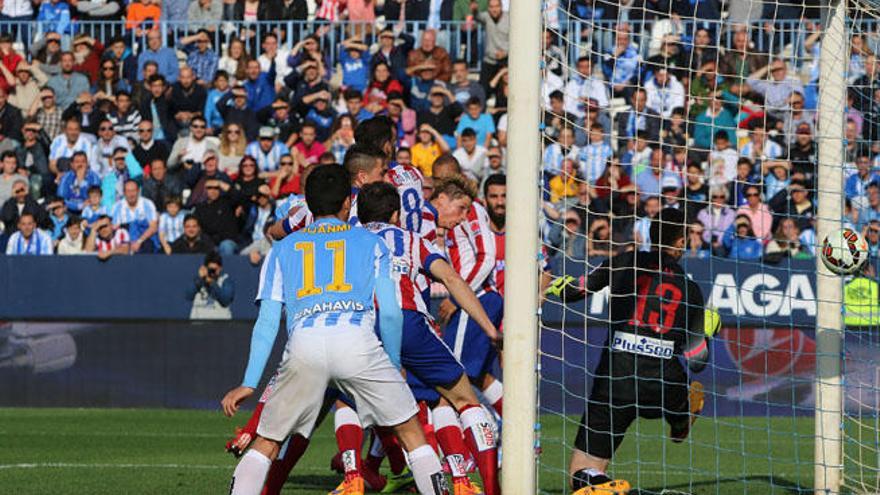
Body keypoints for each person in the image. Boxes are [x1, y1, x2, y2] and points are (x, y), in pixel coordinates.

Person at [221, 164, 447, 495]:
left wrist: (248, 382)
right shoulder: (372, 243)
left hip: (303, 346)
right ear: (347, 203)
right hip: (357, 342)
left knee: (267, 443)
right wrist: (395, 362)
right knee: (412, 433)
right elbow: (392, 314)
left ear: (309, 205)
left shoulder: (282, 249)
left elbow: (268, 321)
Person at [545, 208, 715, 495]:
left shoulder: (623, 262)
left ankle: (596, 480)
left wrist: (555, 285)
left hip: (615, 379)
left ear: (650, 234)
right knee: (682, 386)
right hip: (662, 384)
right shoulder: (691, 290)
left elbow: (577, 291)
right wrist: (708, 332)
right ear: (681, 242)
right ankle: (680, 416)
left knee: (581, 469)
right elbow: (698, 360)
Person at [355, 181, 501, 495]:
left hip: (357, 329)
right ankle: (487, 487)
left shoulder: (346, 241)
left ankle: (356, 473)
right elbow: (450, 278)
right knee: (461, 398)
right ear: (396, 214)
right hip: (408, 323)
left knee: (356, 404)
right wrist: (490, 328)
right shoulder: (412, 239)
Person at [110, 180, 159, 254]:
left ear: (138, 191)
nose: (131, 194)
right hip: (123, 243)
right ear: (124, 193)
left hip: (145, 242)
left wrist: (139, 241)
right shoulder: (116, 207)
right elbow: (114, 229)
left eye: (133, 191)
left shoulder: (148, 204)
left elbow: (153, 227)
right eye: (128, 191)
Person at [187, 251, 234, 319]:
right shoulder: (198, 280)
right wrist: (200, 279)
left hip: (220, 323)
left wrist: (212, 283)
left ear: (220, 268)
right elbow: (188, 295)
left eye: (214, 270)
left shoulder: (225, 280)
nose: (212, 273)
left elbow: (225, 301)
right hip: (198, 323)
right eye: (210, 269)